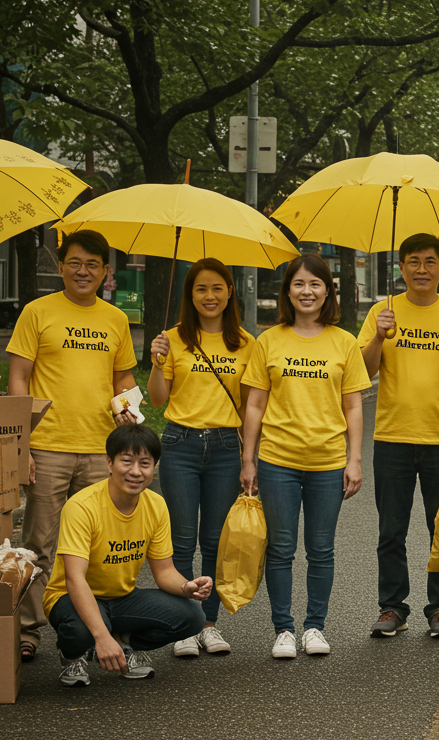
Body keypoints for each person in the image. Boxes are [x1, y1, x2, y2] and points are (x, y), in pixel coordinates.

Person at [8, 229, 140, 663]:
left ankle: (93, 629)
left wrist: (127, 410)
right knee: (40, 544)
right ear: (60, 265)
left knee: (99, 546)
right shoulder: (37, 312)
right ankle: (28, 630)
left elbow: (123, 380)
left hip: (101, 449)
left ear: (106, 271)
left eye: (93, 265)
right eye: (75, 263)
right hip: (47, 446)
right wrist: (20, 443)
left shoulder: (115, 319)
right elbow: (19, 379)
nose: (83, 271)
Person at [241, 254, 369, 659]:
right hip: (278, 459)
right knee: (280, 548)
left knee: (321, 548)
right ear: (287, 291)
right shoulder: (269, 340)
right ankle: (283, 629)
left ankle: (315, 626)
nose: (307, 291)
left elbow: (353, 407)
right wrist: (249, 458)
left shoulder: (344, 342)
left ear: (328, 290)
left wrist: (355, 459)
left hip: (328, 462)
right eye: (298, 284)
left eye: (315, 284)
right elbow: (256, 405)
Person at [358, 234, 439, 639]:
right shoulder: (382, 312)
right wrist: (378, 337)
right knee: (391, 530)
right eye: (412, 261)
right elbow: (363, 372)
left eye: (429, 261)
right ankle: (393, 607)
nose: (421, 269)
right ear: (401, 268)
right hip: (392, 438)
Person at [45, 424, 210, 687]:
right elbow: (75, 579)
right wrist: (101, 637)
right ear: (109, 463)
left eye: (145, 463)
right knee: (80, 632)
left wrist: (185, 587)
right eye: (126, 461)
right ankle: (73, 654)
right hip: (70, 595)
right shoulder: (81, 506)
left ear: (154, 466)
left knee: (192, 617)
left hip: (121, 598)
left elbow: (164, 571)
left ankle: (124, 643)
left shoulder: (156, 505)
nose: (135, 471)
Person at [146, 258, 253, 657]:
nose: (209, 296)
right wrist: (157, 363)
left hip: (226, 446)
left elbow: (251, 406)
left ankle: (208, 623)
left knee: (214, 539)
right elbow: (158, 399)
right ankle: (184, 626)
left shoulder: (245, 343)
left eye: (217, 288)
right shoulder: (173, 338)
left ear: (229, 293)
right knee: (181, 537)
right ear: (190, 296)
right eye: (200, 289)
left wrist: (249, 459)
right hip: (180, 443)